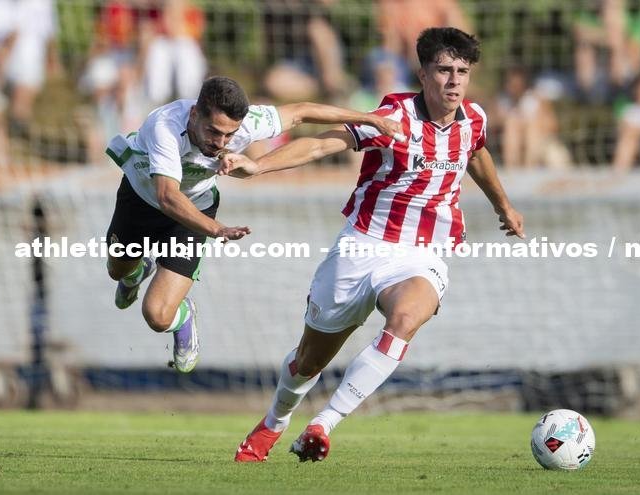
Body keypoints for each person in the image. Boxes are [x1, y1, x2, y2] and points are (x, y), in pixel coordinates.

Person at [224, 27, 525, 463]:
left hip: (424, 252)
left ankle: (323, 425)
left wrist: (504, 205)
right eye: (444, 70)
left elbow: (476, 153)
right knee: (308, 361)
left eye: (462, 71)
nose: (454, 80)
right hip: (362, 245)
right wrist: (258, 165)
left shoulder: (474, 119)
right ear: (423, 74)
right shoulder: (395, 117)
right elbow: (325, 143)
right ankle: (274, 421)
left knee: (405, 318)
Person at [103, 76, 402, 373]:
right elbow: (167, 196)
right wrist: (216, 229)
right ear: (194, 114)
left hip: (196, 207)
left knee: (157, 315)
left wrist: (368, 119)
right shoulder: (165, 126)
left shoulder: (248, 123)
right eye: (213, 131)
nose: (220, 143)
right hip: (143, 199)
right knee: (117, 269)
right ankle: (135, 273)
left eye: (229, 135)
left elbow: (301, 112)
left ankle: (184, 316)